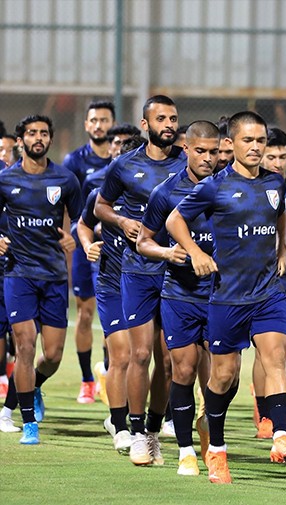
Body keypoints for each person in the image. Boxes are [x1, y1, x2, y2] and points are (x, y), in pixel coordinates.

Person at [169, 111, 286, 483]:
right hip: (227, 298)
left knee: (275, 358)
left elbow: (279, 215)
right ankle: (217, 449)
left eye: (261, 141)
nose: (256, 147)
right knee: (223, 376)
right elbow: (174, 220)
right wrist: (194, 251)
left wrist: (284, 248)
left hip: (268, 293)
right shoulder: (215, 186)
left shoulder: (276, 183)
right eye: (248, 141)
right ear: (231, 144)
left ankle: (281, 435)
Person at [96, 95, 185, 465]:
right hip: (137, 271)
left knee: (168, 360)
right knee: (140, 353)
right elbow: (100, 206)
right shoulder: (123, 166)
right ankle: (133, 432)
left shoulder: (189, 165)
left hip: (178, 271)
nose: (168, 124)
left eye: (173, 118)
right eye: (161, 118)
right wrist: (120, 220)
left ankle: (152, 430)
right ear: (145, 125)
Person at [135, 120, 220, 476]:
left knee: (223, 376)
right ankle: (184, 449)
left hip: (222, 295)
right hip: (180, 294)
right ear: (186, 148)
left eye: (214, 152)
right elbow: (143, 241)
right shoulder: (166, 192)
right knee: (179, 367)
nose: (207, 158)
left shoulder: (231, 187)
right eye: (200, 151)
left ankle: (207, 428)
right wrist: (166, 254)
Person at [0, 115, 83, 444]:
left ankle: (32, 387)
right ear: (20, 140)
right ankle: (29, 423)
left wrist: (74, 238)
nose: (38, 138)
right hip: (18, 273)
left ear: (50, 138)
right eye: (32, 133)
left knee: (52, 355)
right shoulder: (6, 180)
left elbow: (80, 221)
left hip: (54, 276)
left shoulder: (65, 179)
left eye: (44, 133)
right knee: (24, 345)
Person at [252, 127, 286, 439]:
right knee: (266, 351)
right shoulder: (254, 186)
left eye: (282, 156)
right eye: (271, 156)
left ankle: (273, 407)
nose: (277, 162)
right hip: (259, 278)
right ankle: (265, 415)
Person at [63, 100, 116, 405]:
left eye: (104, 120)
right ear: (86, 125)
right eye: (94, 120)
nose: (99, 125)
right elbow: (67, 206)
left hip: (113, 246)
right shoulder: (74, 161)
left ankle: (109, 372)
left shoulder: (121, 162)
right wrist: (70, 237)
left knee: (113, 315)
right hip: (85, 247)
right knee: (85, 313)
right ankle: (86, 379)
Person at [77, 186, 134, 454]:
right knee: (122, 356)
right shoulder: (100, 196)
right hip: (111, 284)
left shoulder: (159, 192)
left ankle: (152, 420)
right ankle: (119, 425)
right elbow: (83, 224)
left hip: (147, 286)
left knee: (152, 358)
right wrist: (88, 246)